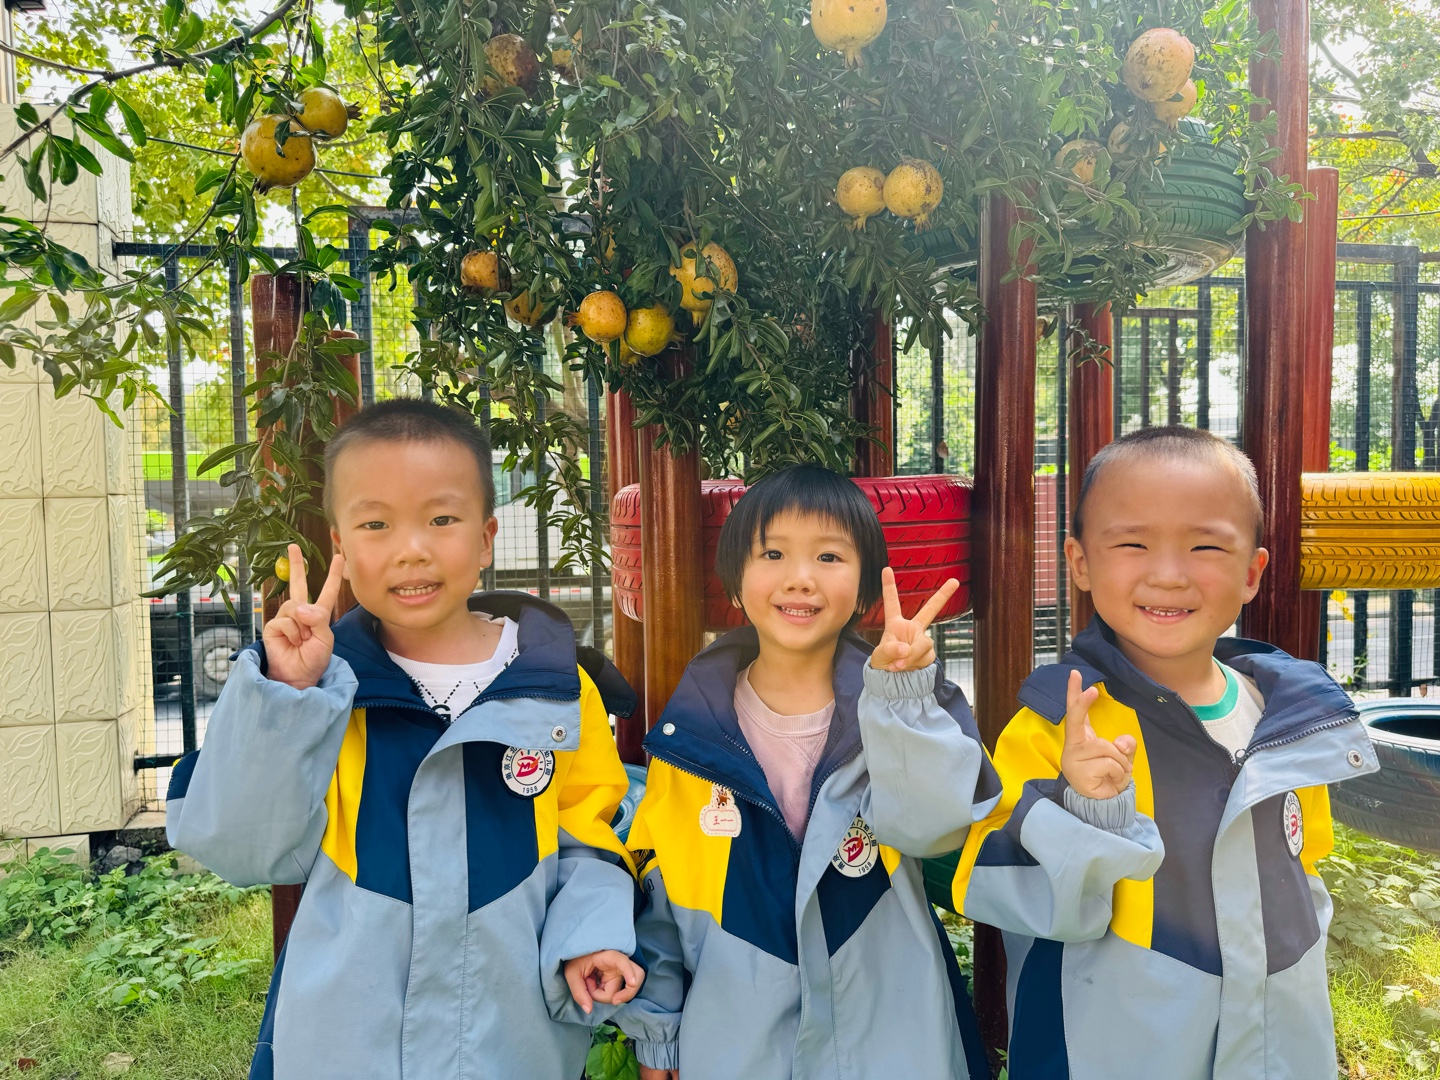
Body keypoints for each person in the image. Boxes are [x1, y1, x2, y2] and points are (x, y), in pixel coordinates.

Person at [166, 398, 644, 1080]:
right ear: (341, 546)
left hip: (509, 1044)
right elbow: (246, 850)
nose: (411, 548)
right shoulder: (320, 693)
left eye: (441, 519)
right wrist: (286, 697)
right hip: (344, 1044)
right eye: (376, 524)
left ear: (486, 537)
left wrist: (588, 937)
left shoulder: (556, 690)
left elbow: (588, 840)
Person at [952, 425, 1379, 1080]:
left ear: (1251, 572)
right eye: (1133, 543)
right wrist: (1084, 815)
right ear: (1080, 563)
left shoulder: (1289, 719)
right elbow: (997, 888)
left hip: (1278, 1044)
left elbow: (1306, 869)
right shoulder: (1057, 724)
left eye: (1205, 545)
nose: (1169, 574)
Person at [613, 464, 999, 1080]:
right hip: (740, 1042)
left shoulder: (911, 706)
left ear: (866, 590)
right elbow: (663, 890)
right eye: (773, 553)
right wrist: (658, 1033)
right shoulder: (691, 735)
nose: (800, 577)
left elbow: (933, 828)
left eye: (829, 556)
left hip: (891, 1037)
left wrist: (902, 700)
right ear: (735, 583)